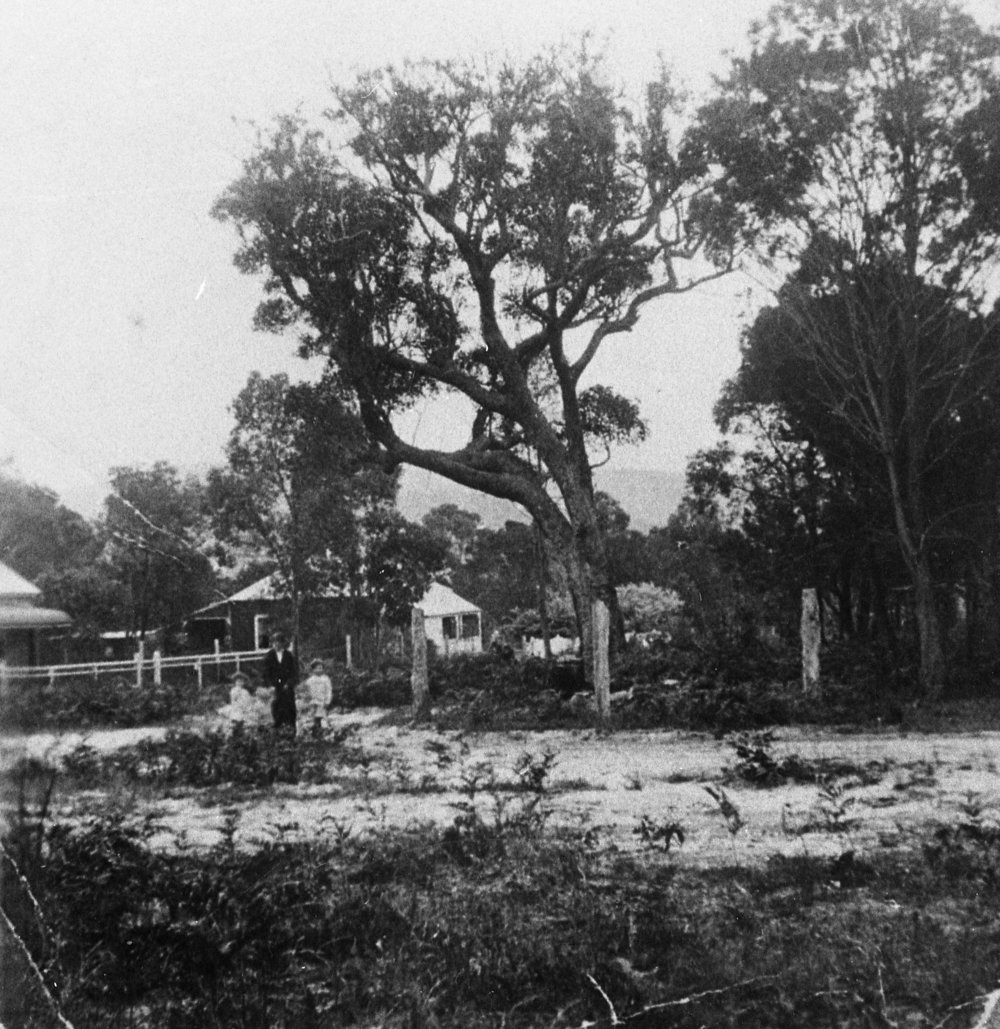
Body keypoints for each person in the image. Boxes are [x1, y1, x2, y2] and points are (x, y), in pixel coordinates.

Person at [263, 631, 298, 732]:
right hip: (275, 685)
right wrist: (270, 685)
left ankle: (291, 727)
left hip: (287, 685)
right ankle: (277, 727)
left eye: (279, 642)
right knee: (276, 705)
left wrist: (289, 683)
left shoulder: (289, 655)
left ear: (283, 643)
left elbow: (293, 671)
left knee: (290, 706)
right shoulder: (269, 656)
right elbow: (266, 673)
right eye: (274, 642)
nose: (277, 644)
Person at [302, 658, 333, 734]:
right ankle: (314, 730)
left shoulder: (326, 679)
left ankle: (325, 731)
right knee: (314, 717)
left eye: (321, 668)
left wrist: (328, 700)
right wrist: (308, 700)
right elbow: (307, 692)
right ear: (313, 669)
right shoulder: (309, 681)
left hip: (322, 701)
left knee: (323, 717)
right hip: (313, 702)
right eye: (318, 668)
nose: (320, 670)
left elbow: (329, 690)